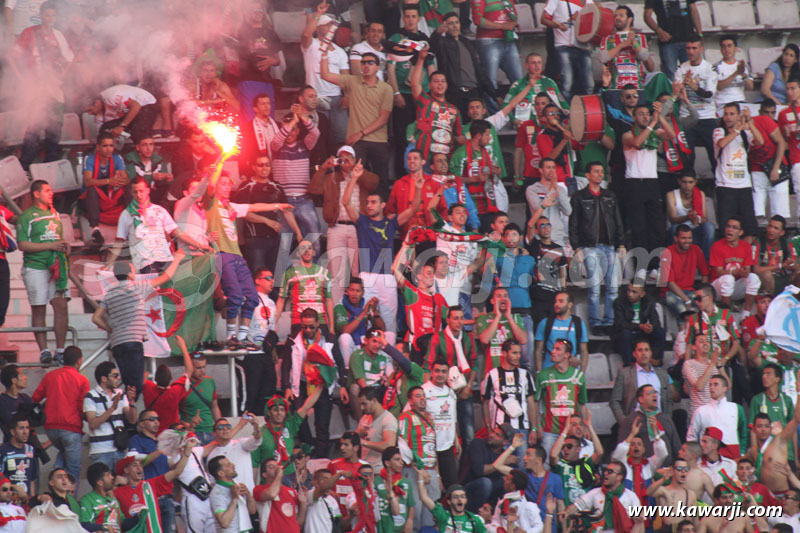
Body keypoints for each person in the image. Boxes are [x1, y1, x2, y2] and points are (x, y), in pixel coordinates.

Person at [204, 156, 292, 348]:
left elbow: (255, 207)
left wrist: (278, 206)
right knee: (235, 295)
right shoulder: (211, 204)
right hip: (223, 254)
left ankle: (242, 338)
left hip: (237, 256)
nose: (228, 187)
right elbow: (210, 186)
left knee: (252, 297)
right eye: (224, 184)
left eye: (229, 184)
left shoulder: (231, 207)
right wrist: (221, 158)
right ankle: (230, 338)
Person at [91, 251, 185, 399]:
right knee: (136, 386)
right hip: (134, 342)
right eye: (133, 271)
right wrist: (178, 258)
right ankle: (129, 415)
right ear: (129, 275)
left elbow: (96, 318)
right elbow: (166, 277)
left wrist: (111, 329)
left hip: (118, 344)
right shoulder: (137, 287)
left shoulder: (109, 294)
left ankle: (125, 411)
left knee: (128, 383)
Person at [308, 146, 379, 305]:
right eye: (341, 157)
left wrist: (355, 168)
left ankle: (361, 309)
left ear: (354, 158)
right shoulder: (332, 177)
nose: (344, 160)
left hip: (358, 228)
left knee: (359, 272)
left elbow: (374, 183)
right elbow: (313, 189)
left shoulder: (361, 176)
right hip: (336, 227)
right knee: (336, 273)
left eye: (348, 157)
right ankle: (337, 312)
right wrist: (325, 167)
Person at [11, 1, 72, 172]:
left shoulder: (58, 35)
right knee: (33, 131)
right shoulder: (29, 33)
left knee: (54, 133)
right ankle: (24, 170)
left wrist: (60, 78)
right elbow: (12, 57)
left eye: (53, 15)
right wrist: (22, 79)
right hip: (36, 89)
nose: (50, 19)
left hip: (53, 90)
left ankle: (50, 171)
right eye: (47, 15)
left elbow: (70, 58)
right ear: (40, 15)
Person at [321, 50, 393, 190]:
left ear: (378, 67)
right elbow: (325, 75)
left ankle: (382, 210)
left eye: (370, 62)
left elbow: (384, 118)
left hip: (378, 140)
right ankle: (361, 211)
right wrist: (324, 54)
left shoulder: (386, 88)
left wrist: (361, 133)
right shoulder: (353, 81)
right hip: (357, 142)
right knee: (356, 180)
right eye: (363, 62)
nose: (366, 65)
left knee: (381, 180)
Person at [17, 180, 70, 365]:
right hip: (35, 266)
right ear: (36, 194)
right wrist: (50, 245)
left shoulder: (55, 214)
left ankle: (61, 350)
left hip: (57, 265)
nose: (51, 193)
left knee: (61, 305)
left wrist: (64, 246)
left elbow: (58, 238)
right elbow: (22, 244)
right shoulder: (26, 216)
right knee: (39, 308)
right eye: (47, 190)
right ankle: (44, 350)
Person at [568, 162, 625, 335]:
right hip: (589, 246)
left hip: (609, 246)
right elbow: (574, 224)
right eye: (597, 172)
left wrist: (621, 243)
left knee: (613, 287)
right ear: (588, 175)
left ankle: (610, 322)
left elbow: (617, 220)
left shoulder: (610, 195)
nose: (601, 175)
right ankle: (595, 322)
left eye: (602, 172)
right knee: (594, 288)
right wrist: (576, 247)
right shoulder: (579, 197)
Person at [287, 309, 346, 458]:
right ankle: (309, 445)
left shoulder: (329, 338)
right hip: (301, 383)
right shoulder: (294, 338)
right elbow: (286, 364)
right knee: (299, 419)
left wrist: (343, 385)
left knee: (322, 425)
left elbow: (339, 361)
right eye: (304, 326)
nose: (307, 330)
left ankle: (322, 460)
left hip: (322, 385)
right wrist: (287, 387)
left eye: (311, 327)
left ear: (318, 324)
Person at [233, 154, 303, 275]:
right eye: (260, 165)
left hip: (275, 237)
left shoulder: (277, 186)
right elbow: (243, 213)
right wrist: (267, 221)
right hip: (255, 238)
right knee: (258, 275)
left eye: (267, 165)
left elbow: (286, 211)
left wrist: (298, 232)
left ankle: (275, 294)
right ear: (254, 167)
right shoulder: (246, 186)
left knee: (277, 276)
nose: (264, 168)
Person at [622, 101, 674, 265]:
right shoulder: (627, 133)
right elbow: (637, 143)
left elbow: (672, 136)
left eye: (647, 113)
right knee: (639, 227)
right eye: (641, 114)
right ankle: (641, 265)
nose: (645, 117)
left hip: (652, 182)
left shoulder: (655, 130)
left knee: (657, 225)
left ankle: (654, 265)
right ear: (634, 116)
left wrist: (660, 118)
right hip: (634, 183)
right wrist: (652, 123)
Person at [387, 5, 437, 175]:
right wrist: (396, 93)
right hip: (403, 95)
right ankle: (403, 177)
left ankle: (424, 176)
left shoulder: (424, 40)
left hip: (422, 97)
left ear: (419, 19)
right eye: (407, 16)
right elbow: (391, 68)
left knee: (423, 138)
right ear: (403, 18)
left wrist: (432, 97)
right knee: (402, 139)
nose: (410, 19)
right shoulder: (396, 37)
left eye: (413, 16)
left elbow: (431, 69)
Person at [31, 346, 88, 485]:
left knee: (64, 453)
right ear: (79, 361)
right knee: (73, 472)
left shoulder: (50, 376)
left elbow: (35, 398)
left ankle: (56, 471)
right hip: (71, 428)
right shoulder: (82, 380)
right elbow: (82, 407)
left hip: (50, 429)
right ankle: (69, 505)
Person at [115, 442, 194, 532]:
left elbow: (177, 472)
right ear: (126, 470)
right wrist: (115, 484)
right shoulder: (117, 492)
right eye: (134, 465)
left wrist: (187, 453)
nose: (139, 468)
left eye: (140, 465)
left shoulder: (151, 485)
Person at [482, 339, 537, 467]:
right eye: (514, 353)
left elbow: (531, 403)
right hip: (501, 429)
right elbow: (484, 403)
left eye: (519, 353)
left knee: (522, 464)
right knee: (503, 465)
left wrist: (534, 428)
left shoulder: (525, 375)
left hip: (522, 428)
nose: (518, 356)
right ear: (504, 353)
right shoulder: (492, 374)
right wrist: (489, 427)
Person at [429, 12, 495, 118]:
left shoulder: (466, 42)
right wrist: (437, 33)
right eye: (451, 23)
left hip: (474, 92)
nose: (455, 26)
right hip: (457, 94)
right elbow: (432, 46)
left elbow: (479, 70)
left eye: (457, 22)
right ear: (445, 26)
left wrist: (494, 95)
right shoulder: (443, 42)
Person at [714, 104, 763, 238]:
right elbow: (721, 143)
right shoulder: (719, 131)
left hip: (744, 186)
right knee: (726, 229)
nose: (728, 117)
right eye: (726, 114)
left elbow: (760, 141)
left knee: (749, 228)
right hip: (726, 186)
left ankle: (746, 257)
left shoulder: (744, 133)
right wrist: (737, 130)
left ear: (738, 116)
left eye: (732, 114)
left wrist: (749, 122)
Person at [535, 339, 588, 459]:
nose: (552, 352)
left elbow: (582, 404)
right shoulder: (543, 375)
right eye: (553, 348)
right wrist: (536, 426)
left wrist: (585, 427)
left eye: (557, 349)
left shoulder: (579, 376)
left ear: (567, 355)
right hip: (549, 432)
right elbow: (535, 403)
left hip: (572, 432)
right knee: (547, 465)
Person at [398, 386, 440, 531]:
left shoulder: (430, 417)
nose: (422, 398)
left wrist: (438, 474)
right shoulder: (405, 418)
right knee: (415, 509)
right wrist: (419, 470)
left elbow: (434, 448)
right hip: (414, 471)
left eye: (423, 395)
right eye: (417, 396)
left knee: (431, 511)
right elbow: (402, 446)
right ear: (410, 401)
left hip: (432, 471)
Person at [251, 391, 322, 475]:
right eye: (275, 410)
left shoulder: (289, 426)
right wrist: (254, 487)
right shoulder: (260, 434)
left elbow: (306, 407)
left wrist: (320, 387)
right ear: (268, 412)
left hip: (289, 479)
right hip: (270, 481)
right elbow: (254, 466)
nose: (279, 413)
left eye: (282, 410)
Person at [127, 410, 175, 531]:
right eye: (152, 419)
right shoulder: (136, 440)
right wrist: (159, 451)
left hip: (167, 497)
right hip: (150, 498)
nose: (156, 422)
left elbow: (171, 466)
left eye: (158, 419)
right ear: (142, 423)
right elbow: (135, 463)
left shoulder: (160, 442)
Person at [559, 459, 640, 532]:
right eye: (605, 470)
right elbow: (578, 505)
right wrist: (566, 512)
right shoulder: (595, 493)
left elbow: (640, 522)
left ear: (619, 477)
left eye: (610, 472)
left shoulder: (631, 497)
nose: (605, 473)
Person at [675, 37, 718, 172]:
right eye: (688, 48)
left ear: (701, 49)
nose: (691, 52)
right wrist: (682, 86)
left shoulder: (709, 68)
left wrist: (694, 87)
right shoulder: (681, 69)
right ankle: (689, 187)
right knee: (687, 158)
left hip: (707, 117)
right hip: (687, 117)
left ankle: (718, 186)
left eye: (694, 48)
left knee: (715, 156)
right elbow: (676, 95)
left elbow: (709, 97)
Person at [83, 362, 137, 469]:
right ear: (104, 379)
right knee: (103, 484)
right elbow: (93, 424)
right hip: (101, 451)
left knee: (121, 483)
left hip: (120, 449)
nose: (118, 378)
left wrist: (132, 402)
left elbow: (132, 420)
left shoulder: (120, 393)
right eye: (115, 375)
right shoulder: (91, 396)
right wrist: (112, 408)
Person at [79, 132, 130, 245]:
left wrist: (120, 180)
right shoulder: (90, 159)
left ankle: (134, 224)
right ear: (98, 147)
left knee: (128, 188)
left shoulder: (117, 159)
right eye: (105, 146)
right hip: (89, 198)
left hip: (108, 198)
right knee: (92, 188)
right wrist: (109, 181)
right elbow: (88, 182)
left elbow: (126, 180)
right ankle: (95, 230)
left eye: (111, 146)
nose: (109, 149)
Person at [276, 240, 335, 337]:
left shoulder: (324, 272)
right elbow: (281, 300)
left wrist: (332, 327)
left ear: (314, 252)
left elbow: (329, 300)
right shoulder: (289, 273)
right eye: (303, 248)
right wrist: (274, 323)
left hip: (320, 321)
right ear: (298, 253)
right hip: (298, 321)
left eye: (309, 248)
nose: (307, 251)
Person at [235, 0, 281, 121]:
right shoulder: (242, 31)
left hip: (266, 81)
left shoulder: (271, 33)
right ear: (248, 13)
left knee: (268, 117)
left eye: (260, 10)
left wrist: (272, 61)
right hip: (248, 80)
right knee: (250, 118)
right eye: (254, 10)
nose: (257, 13)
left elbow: (278, 60)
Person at [540, 0, 593, 100]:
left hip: (583, 46)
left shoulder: (588, 1)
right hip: (563, 45)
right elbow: (543, 19)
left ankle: (586, 112)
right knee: (566, 84)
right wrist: (558, 25)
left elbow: (595, 18)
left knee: (588, 85)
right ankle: (566, 113)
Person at [610, 340, 674, 422]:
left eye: (646, 350)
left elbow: (668, 400)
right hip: (635, 424)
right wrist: (624, 423)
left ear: (651, 353)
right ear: (634, 354)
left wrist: (667, 420)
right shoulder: (624, 374)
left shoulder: (663, 374)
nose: (643, 353)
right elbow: (614, 401)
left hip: (659, 423)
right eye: (640, 350)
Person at [618, 384, 682, 462]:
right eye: (650, 393)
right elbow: (622, 448)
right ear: (641, 399)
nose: (654, 395)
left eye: (655, 392)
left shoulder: (665, 418)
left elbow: (676, 445)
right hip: (644, 468)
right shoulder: (631, 421)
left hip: (668, 469)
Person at [709, 216, 761, 312]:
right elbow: (718, 272)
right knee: (728, 278)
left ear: (740, 232)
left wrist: (745, 272)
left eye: (734, 227)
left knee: (754, 278)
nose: (730, 229)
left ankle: (746, 312)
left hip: (736, 287)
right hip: (718, 288)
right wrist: (735, 272)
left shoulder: (745, 246)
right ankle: (727, 312)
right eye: (728, 226)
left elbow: (747, 268)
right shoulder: (717, 246)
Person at [475, 286, 528, 377]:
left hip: (512, 373)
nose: (503, 299)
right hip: (491, 372)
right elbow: (485, 339)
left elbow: (523, 340)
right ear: (492, 301)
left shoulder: (515, 317)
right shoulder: (484, 318)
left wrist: (509, 317)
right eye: (499, 296)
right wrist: (498, 316)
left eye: (506, 296)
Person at [385, 150, 438, 240]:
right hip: (406, 233)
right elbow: (390, 210)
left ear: (423, 162)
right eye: (409, 159)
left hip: (429, 232)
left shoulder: (433, 183)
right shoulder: (399, 183)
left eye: (415, 158)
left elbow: (442, 209)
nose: (411, 161)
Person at [751, 100, 790, 221]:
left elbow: (784, 145)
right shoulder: (755, 122)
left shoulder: (777, 125)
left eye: (772, 113)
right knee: (758, 214)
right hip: (757, 168)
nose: (769, 116)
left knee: (780, 215)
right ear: (759, 112)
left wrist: (776, 168)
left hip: (777, 167)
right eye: (766, 112)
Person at [599, 6, 654, 91]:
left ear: (630, 19)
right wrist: (621, 45)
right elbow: (603, 58)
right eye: (615, 16)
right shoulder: (607, 39)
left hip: (637, 87)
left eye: (621, 15)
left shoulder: (640, 37)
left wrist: (634, 43)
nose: (617, 18)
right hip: (615, 88)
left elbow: (646, 60)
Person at [643, 0, 701, 80]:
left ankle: (690, 92)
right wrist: (659, 31)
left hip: (688, 39)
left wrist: (699, 33)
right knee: (670, 74)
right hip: (667, 41)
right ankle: (673, 92)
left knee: (691, 72)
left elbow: (693, 9)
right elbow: (647, 15)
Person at [611, 285, 667, 366]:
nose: (630, 294)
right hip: (626, 333)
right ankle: (629, 364)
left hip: (642, 333)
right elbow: (620, 324)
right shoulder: (619, 302)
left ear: (642, 294)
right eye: (629, 291)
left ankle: (656, 361)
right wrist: (640, 326)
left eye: (634, 292)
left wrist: (651, 327)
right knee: (625, 334)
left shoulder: (649, 302)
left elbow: (655, 321)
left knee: (660, 332)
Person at [335, 279, 386, 367]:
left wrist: (375, 311)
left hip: (365, 343)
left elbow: (382, 329)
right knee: (345, 337)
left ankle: (383, 370)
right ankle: (347, 371)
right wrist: (363, 313)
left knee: (389, 335)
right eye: (351, 290)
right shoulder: (340, 307)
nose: (354, 294)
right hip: (350, 345)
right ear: (347, 291)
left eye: (358, 291)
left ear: (362, 292)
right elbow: (345, 330)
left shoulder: (365, 305)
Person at [173, 354, 222, 445]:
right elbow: (174, 413)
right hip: (193, 433)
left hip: (211, 432)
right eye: (198, 368)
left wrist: (220, 427)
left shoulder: (210, 381)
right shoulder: (181, 386)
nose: (203, 371)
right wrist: (185, 425)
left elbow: (215, 407)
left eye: (204, 367)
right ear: (190, 368)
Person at [534, 291, 588, 371]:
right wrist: (539, 373)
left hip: (570, 372)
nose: (557, 304)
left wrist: (582, 374)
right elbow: (538, 351)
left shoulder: (578, 323)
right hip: (549, 371)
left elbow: (584, 352)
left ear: (570, 305)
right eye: (555, 301)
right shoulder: (545, 322)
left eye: (561, 301)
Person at [347, 328, 395, 419]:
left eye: (380, 342)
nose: (377, 345)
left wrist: (387, 380)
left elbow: (391, 377)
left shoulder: (384, 356)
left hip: (379, 390)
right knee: (354, 388)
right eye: (374, 341)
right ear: (365, 340)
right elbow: (362, 382)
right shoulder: (357, 355)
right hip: (364, 390)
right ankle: (361, 421)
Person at [665, 173, 716, 259]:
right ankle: (675, 260)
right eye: (684, 182)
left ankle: (706, 263)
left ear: (695, 182)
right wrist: (688, 217)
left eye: (690, 182)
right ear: (679, 181)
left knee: (709, 227)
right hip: (678, 231)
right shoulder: (671, 195)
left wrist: (697, 219)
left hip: (694, 231)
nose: (687, 185)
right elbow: (672, 219)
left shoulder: (700, 194)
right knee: (674, 228)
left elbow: (704, 219)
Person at [415, 477, 487, 533]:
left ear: (466, 500)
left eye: (462, 496)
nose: (459, 499)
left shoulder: (476, 520)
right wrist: (420, 478)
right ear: (449, 501)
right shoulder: (444, 516)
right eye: (456, 497)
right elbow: (424, 497)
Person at [86, 84, 158, 141]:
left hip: (146, 105)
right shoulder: (100, 111)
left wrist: (121, 126)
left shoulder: (111, 97)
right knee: (105, 129)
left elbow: (136, 106)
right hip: (133, 111)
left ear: (96, 103)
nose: (90, 113)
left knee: (137, 133)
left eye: (90, 110)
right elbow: (101, 132)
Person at [525, 159, 571, 248]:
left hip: (557, 236)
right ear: (541, 170)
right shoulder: (532, 189)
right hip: (540, 237)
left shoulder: (559, 189)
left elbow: (568, 211)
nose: (551, 170)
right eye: (548, 167)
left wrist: (556, 188)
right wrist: (551, 190)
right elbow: (541, 212)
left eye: (553, 168)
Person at [208, 456, 257, 533]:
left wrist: (248, 495)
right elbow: (224, 523)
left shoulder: (237, 485)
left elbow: (252, 511)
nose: (233, 465)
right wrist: (234, 499)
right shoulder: (217, 493)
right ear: (221, 473)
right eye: (228, 465)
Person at [646, 458, 698, 530]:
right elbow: (648, 492)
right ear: (672, 470)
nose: (683, 471)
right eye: (679, 468)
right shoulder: (664, 491)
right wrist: (663, 479)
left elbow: (695, 520)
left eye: (686, 469)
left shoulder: (691, 494)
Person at [125, 134, 173, 208]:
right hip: (137, 193)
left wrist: (167, 178)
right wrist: (152, 177)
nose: (148, 148)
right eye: (144, 145)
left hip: (153, 193)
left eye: (151, 144)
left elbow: (163, 181)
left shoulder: (157, 159)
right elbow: (132, 179)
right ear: (138, 147)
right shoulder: (130, 158)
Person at [357, 386, 398, 471]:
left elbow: (389, 446)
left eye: (364, 404)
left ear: (374, 401)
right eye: (360, 404)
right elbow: (355, 438)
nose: (362, 408)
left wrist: (363, 442)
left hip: (380, 470)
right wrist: (358, 435)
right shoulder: (365, 418)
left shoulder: (388, 419)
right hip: (364, 468)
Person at [777, 76, 800, 228]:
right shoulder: (783, 114)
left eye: (793, 88)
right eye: (787, 89)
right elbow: (781, 144)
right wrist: (785, 135)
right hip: (796, 159)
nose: (789, 92)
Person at [754, 216, 797, 296]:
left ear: (782, 232)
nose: (771, 230)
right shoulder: (758, 243)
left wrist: (792, 264)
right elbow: (755, 269)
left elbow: (796, 266)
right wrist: (780, 266)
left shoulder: (786, 244)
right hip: (763, 281)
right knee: (766, 274)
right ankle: (770, 303)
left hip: (783, 278)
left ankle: (794, 304)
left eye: (776, 228)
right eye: (770, 226)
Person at [375, 447, 413, 532]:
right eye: (397, 460)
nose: (401, 463)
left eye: (401, 460)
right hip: (383, 527)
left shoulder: (406, 482)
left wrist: (410, 520)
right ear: (387, 463)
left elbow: (411, 504)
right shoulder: (376, 481)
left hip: (401, 529)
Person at [0, 414, 38, 497]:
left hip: (25, 502)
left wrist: (30, 501)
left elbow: (32, 479)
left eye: (27, 428)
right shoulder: (3, 451)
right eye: (21, 428)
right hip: (8, 501)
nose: (25, 432)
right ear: (13, 432)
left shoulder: (31, 450)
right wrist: (14, 487)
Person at [78, 462, 123, 532]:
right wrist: (104, 527)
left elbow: (122, 523)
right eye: (108, 475)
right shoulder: (87, 500)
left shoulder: (112, 498)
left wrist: (138, 517)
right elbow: (84, 524)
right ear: (100, 483)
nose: (112, 477)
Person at [714, 35, 753, 114]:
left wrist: (743, 75)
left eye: (729, 46)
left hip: (740, 102)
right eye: (723, 47)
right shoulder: (716, 67)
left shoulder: (744, 66)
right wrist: (736, 73)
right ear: (721, 50)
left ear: (736, 48)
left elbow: (750, 87)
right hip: (723, 104)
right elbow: (719, 87)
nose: (727, 49)